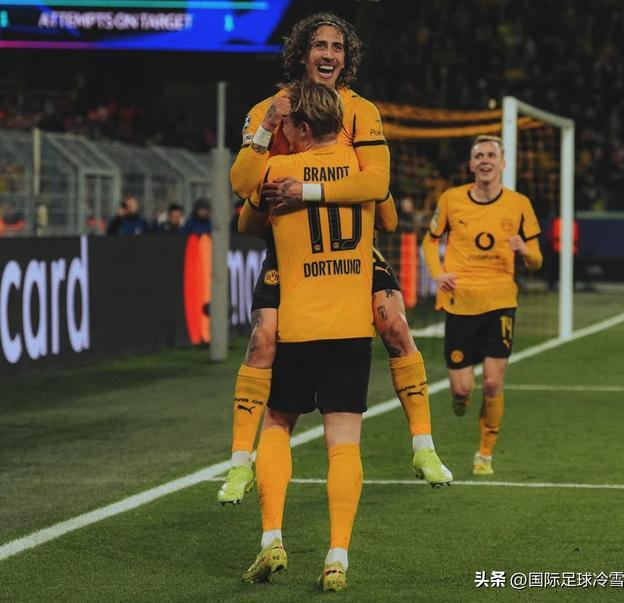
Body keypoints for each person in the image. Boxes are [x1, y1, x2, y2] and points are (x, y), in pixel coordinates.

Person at [218, 12, 451, 506]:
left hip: (349, 243)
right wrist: (268, 127)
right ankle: (239, 462)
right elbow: (241, 185)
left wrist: (308, 190)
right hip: (289, 245)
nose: (329, 54)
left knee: (393, 323)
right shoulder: (268, 109)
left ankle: (424, 446)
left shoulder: (360, 109)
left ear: (347, 59)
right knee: (262, 338)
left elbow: (377, 184)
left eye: (338, 47)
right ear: (302, 53)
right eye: (320, 45)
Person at [239, 80, 374, 591]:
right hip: (351, 326)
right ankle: (337, 557)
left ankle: (272, 537)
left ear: (299, 126)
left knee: (277, 422)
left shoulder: (279, 169)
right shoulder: (363, 169)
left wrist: (263, 130)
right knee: (344, 444)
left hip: (299, 324)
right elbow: (385, 207)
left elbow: (241, 198)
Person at [422, 135, 543, 475]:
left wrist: (525, 251)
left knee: (492, 382)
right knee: (462, 388)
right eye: (480, 156)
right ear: (471, 164)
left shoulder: (519, 204)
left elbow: (537, 261)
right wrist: (438, 274)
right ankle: (460, 399)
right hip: (460, 301)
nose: (486, 160)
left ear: (503, 163)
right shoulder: (451, 199)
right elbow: (430, 241)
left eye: (492, 155)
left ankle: (485, 454)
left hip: (500, 301)